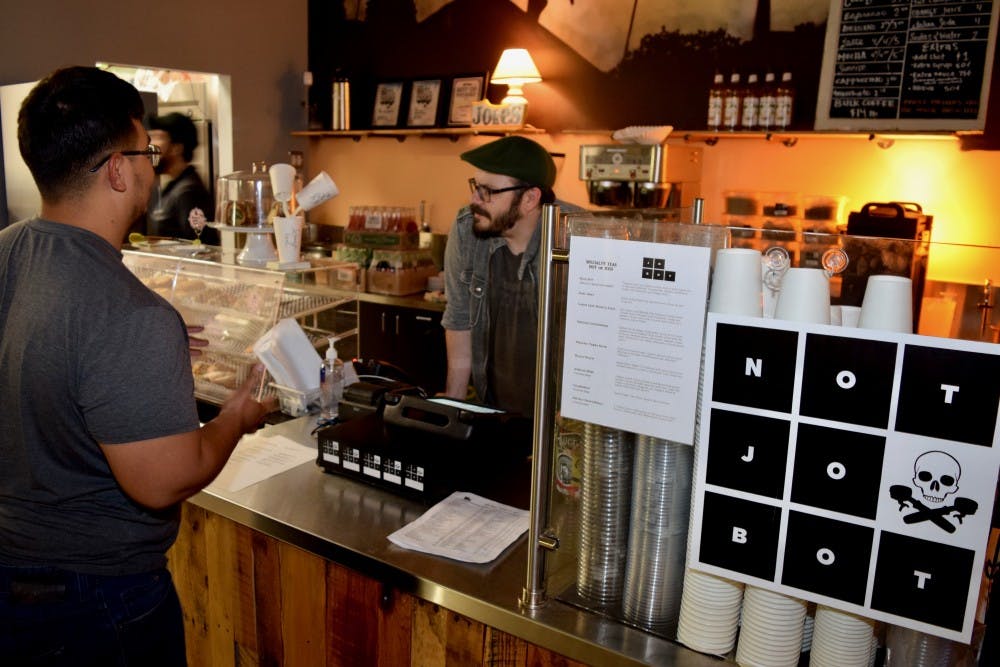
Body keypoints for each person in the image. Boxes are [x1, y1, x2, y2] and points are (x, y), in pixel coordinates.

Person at [0, 66, 275, 666]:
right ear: (119, 170)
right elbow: (163, 480)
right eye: (146, 150)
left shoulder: (12, 249)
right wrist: (237, 416)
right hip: (97, 600)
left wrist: (151, 348)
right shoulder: (128, 314)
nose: (153, 164)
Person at [441, 135, 575, 417]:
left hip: (560, 420)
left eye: (487, 191)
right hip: (493, 413)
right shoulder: (468, 228)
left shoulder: (580, 237)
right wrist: (452, 408)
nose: (474, 200)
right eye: (475, 187)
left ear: (529, 199)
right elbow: (460, 317)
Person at [147, 111, 218, 244]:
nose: (151, 146)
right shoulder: (174, 187)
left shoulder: (189, 192)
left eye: (158, 137)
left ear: (177, 148)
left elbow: (198, 247)